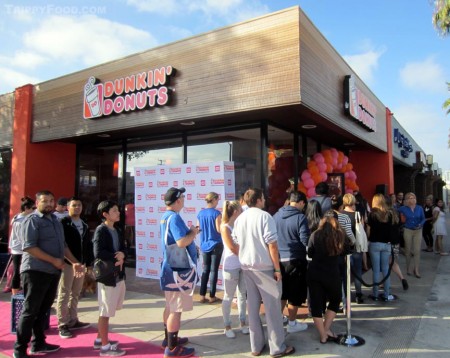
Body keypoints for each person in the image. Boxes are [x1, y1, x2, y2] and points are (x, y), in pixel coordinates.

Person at [13, 190, 85, 358]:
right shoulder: (32, 220)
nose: (49, 204)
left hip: (52, 272)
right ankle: (20, 348)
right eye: (45, 201)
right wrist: (54, 260)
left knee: (43, 310)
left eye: (51, 201)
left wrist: (74, 262)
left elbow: (63, 246)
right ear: (37, 203)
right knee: (30, 310)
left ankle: (38, 343)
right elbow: (29, 247)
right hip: (35, 271)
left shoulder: (55, 220)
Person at [232, 188, 295, 358]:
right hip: (265, 267)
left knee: (252, 308)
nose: (265, 200)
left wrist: (245, 256)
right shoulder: (264, 216)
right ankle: (277, 347)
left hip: (247, 267)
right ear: (259, 199)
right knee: (272, 309)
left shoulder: (240, 219)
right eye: (263, 198)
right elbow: (272, 245)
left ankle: (256, 346)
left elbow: (236, 242)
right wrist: (276, 268)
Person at [160, 187, 199, 358]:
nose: (184, 199)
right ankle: (172, 348)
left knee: (170, 306)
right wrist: (193, 232)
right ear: (177, 200)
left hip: (170, 268)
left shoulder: (165, 217)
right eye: (182, 197)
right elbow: (182, 242)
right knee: (176, 309)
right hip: (178, 270)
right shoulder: (174, 218)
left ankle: (168, 339)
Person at [92, 200, 127, 356]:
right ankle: (105, 348)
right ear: (105, 214)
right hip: (107, 276)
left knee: (110, 309)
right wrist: (115, 257)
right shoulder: (101, 230)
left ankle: (100, 339)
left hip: (117, 275)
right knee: (105, 312)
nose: (118, 213)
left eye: (117, 210)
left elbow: (124, 247)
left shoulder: (117, 229)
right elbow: (98, 252)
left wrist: (123, 254)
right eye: (114, 211)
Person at [57, 197, 93, 339]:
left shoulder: (84, 224)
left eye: (79, 205)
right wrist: (72, 262)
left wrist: (87, 263)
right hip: (68, 264)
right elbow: (62, 244)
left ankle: (73, 319)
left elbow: (87, 245)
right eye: (74, 205)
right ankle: (62, 323)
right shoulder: (63, 223)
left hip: (81, 264)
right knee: (64, 293)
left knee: (76, 292)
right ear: (68, 207)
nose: (77, 207)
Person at [273, 191, 309, 333]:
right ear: (300, 202)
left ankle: (277, 320)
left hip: (279, 261)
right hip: (296, 260)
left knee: (282, 293)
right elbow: (305, 240)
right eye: (303, 204)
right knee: (294, 295)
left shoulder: (275, 216)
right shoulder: (301, 218)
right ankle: (292, 323)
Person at [307, 214, 345, 344]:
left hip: (315, 272)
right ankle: (326, 329)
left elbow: (310, 253)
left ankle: (323, 335)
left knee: (316, 304)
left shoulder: (315, 235)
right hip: (332, 272)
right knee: (335, 299)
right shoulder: (339, 235)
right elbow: (345, 251)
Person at [220, 200, 248, 339]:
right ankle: (227, 325)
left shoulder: (239, 225)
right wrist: (246, 251)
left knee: (242, 295)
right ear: (236, 212)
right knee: (229, 296)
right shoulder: (225, 227)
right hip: (231, 266)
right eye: (240, 210)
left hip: (242, 265)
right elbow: (232, 247)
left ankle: (243, 322)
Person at [367, 193, 399, 301]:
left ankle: (375, 294)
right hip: (387, 244)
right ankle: (387, 294)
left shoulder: (372, 214)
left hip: (374, 243)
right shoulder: (391, 213)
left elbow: (368, 230)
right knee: (386, 269)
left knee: (376, 270)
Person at [197, 192, 223, 304]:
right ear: (213, 200)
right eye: (217, 200)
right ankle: (212, 296)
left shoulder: (200, 213)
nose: (218, 202)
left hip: (204, 244)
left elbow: (198, 228)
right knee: (213, 270)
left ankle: (202, 295)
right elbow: (219, 229)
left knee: (205, 270)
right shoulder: (217, 213)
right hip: (216, 244)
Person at [340, 193, 365, 304]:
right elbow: (362, 230)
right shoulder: (357, 215)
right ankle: (359, 294)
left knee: (345, 273)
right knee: (358, 271)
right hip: (356, 246)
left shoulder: (340, 215)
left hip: (344, 248)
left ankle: (346, 295)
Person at [8, 196, 35, 295]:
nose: (34, 210)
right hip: (20, 249)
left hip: (18, 248)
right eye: (33, 208)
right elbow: (22, 237)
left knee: (18, 270)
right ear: (26, 208)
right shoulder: (21, 220)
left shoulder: (18, 217)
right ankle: (15, 293)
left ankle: (17, 292)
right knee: (19, 271)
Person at [397, 192, 425, 278]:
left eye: (413, 198)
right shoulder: (403, 208)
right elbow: (394, 212)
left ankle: (416, 269)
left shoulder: (419, 208)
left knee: (417, 250)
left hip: (418, 230)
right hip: (407, 230)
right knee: (408, 250)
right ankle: (408, 268)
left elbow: (423, 218)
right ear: (406, 200)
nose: (412, 199)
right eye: (409, 198)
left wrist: (420, 224)